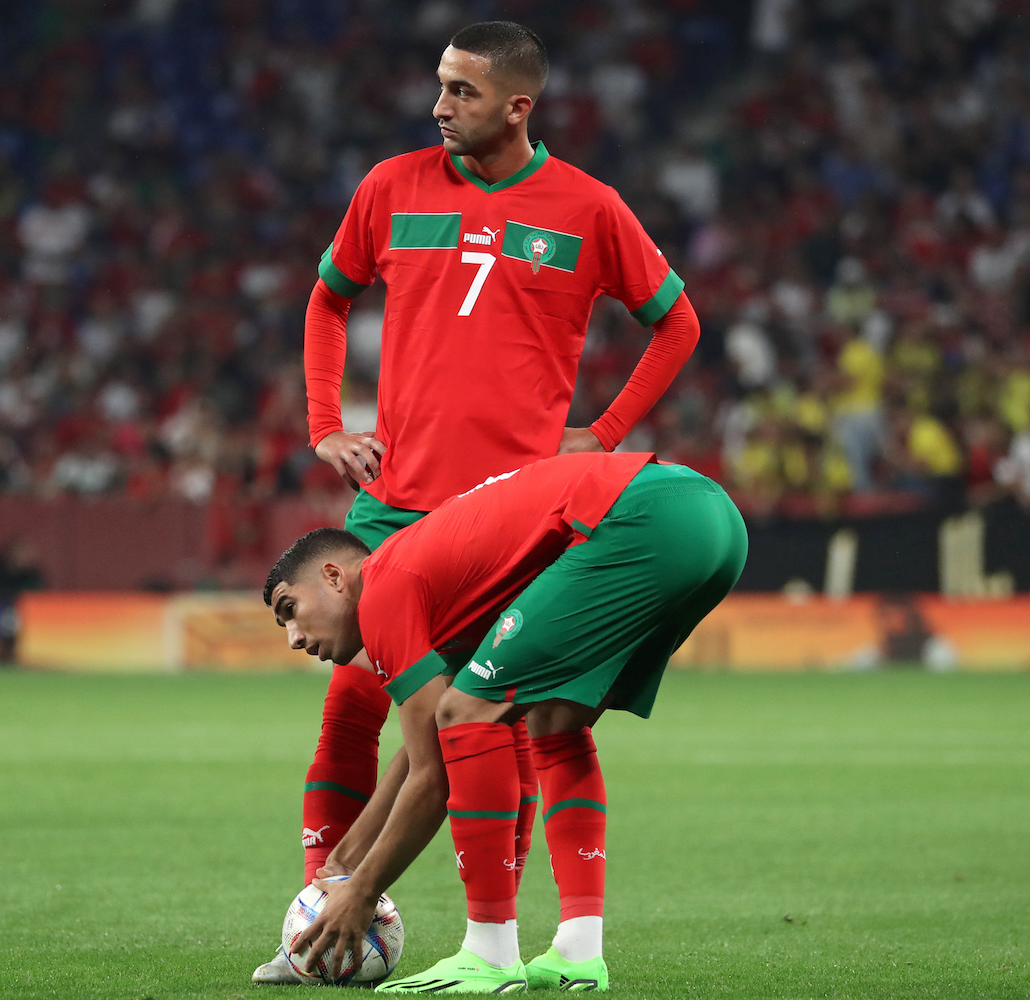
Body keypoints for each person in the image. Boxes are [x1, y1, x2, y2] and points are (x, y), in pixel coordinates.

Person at [255, 19, 702, 984]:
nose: (439, 105)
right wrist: (326, 421)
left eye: (461, 90)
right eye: (441, 86)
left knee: (530, 721)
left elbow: (677, 322)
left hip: (514, 510)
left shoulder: (589, 207)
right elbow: (328, 298)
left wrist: (605, 431)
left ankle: (512, 940)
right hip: (396, 501)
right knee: (350, 705)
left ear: (517, 104)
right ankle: (317, 916)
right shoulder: (389, 186)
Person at [266, 452, 747, 993]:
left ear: (334, 576)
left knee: (469, 712)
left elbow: (436, 770)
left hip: (641, 516)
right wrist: (344, 860)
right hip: (715, 521)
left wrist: (364, 890)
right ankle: (579, 951)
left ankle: (490, 952)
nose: (295, 639)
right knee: (555, 719)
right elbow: (427, 749)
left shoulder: (384, 585)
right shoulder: (436, 584)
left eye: (290, 610)